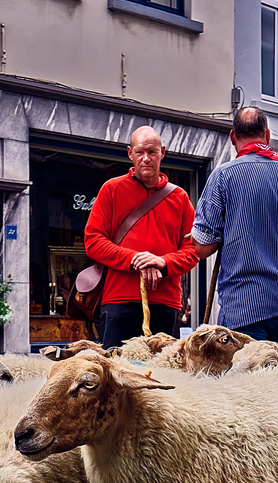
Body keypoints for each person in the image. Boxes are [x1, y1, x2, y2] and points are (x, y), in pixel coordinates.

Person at [191, 106, 278, 342]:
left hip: (242, 309)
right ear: (267, 135)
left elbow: (203, 249)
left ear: (232, 137)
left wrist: (197, 234)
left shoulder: (223, 177)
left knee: (245, 379)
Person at [83, 126, 199, 349]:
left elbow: (193, 250)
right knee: (114, 375)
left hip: (165, 303)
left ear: (162, 153)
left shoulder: (180, 198)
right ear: (130, 153)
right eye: (140, 152)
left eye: (152, 152)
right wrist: (136, 259)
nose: (146, 159)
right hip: (118, 300)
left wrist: (162, 262)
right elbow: (93, 241)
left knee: (161, 377)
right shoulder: (111, 189)